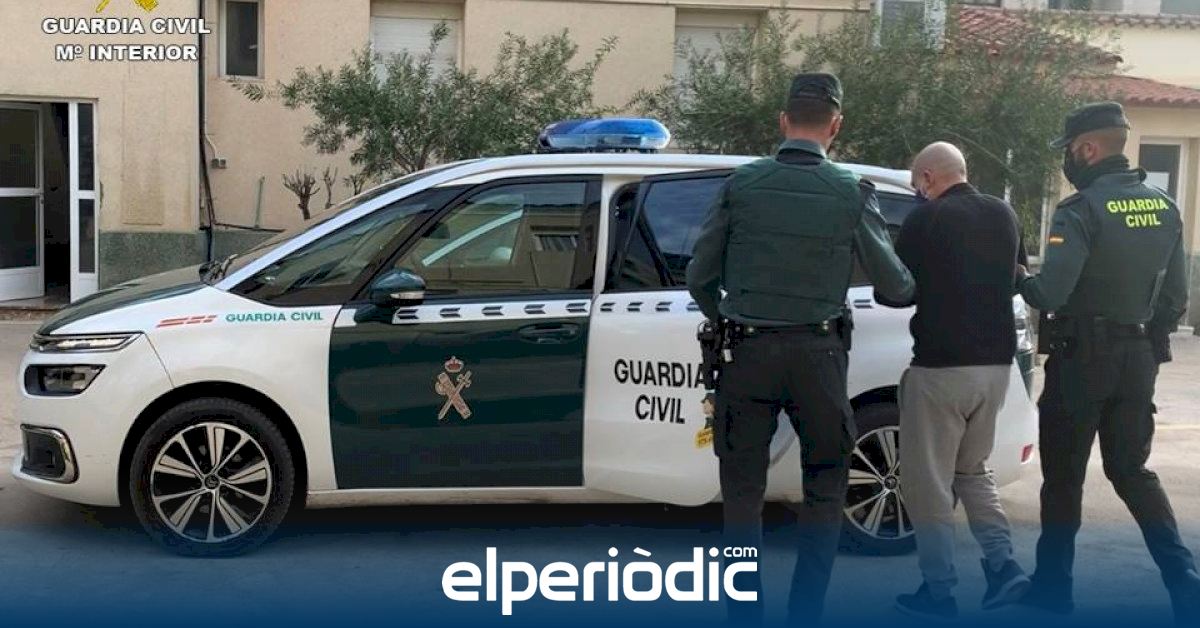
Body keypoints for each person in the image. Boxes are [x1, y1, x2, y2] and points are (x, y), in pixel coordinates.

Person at [686, 72, 914, 624]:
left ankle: (743, 612)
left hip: (747, 354)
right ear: (835, 126)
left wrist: (728, 314)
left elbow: (699, 276)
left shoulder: (742, 185)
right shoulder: (851, 191)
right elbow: (896, 284)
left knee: (742, 493)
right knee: (825, 486)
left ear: (784, 121)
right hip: (819, 356)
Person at [1016, 101, 1200, 624]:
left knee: (1064, 478)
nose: (1067, 161)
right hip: (1137, 358)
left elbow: (1051, 293)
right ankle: (1185, 581)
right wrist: (1145, 345)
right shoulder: (1165, 207)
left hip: (1081, 361)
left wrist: (1019, 277)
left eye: (1070, 151)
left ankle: (1053, 589)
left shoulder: (1080, 210)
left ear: (1088, 148)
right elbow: (1176, 297)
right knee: (1132, 471)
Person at [877, 142, 1030, 620]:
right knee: (972, 470)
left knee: (928, 484)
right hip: (996, 368)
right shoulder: (1004, 214)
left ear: (927, 178)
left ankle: (938, 591)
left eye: (916, 184)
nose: (916, 192)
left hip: (941, 369)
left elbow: (896, 291)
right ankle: (1003, 568)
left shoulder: (925, 219)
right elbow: (1016, 275)